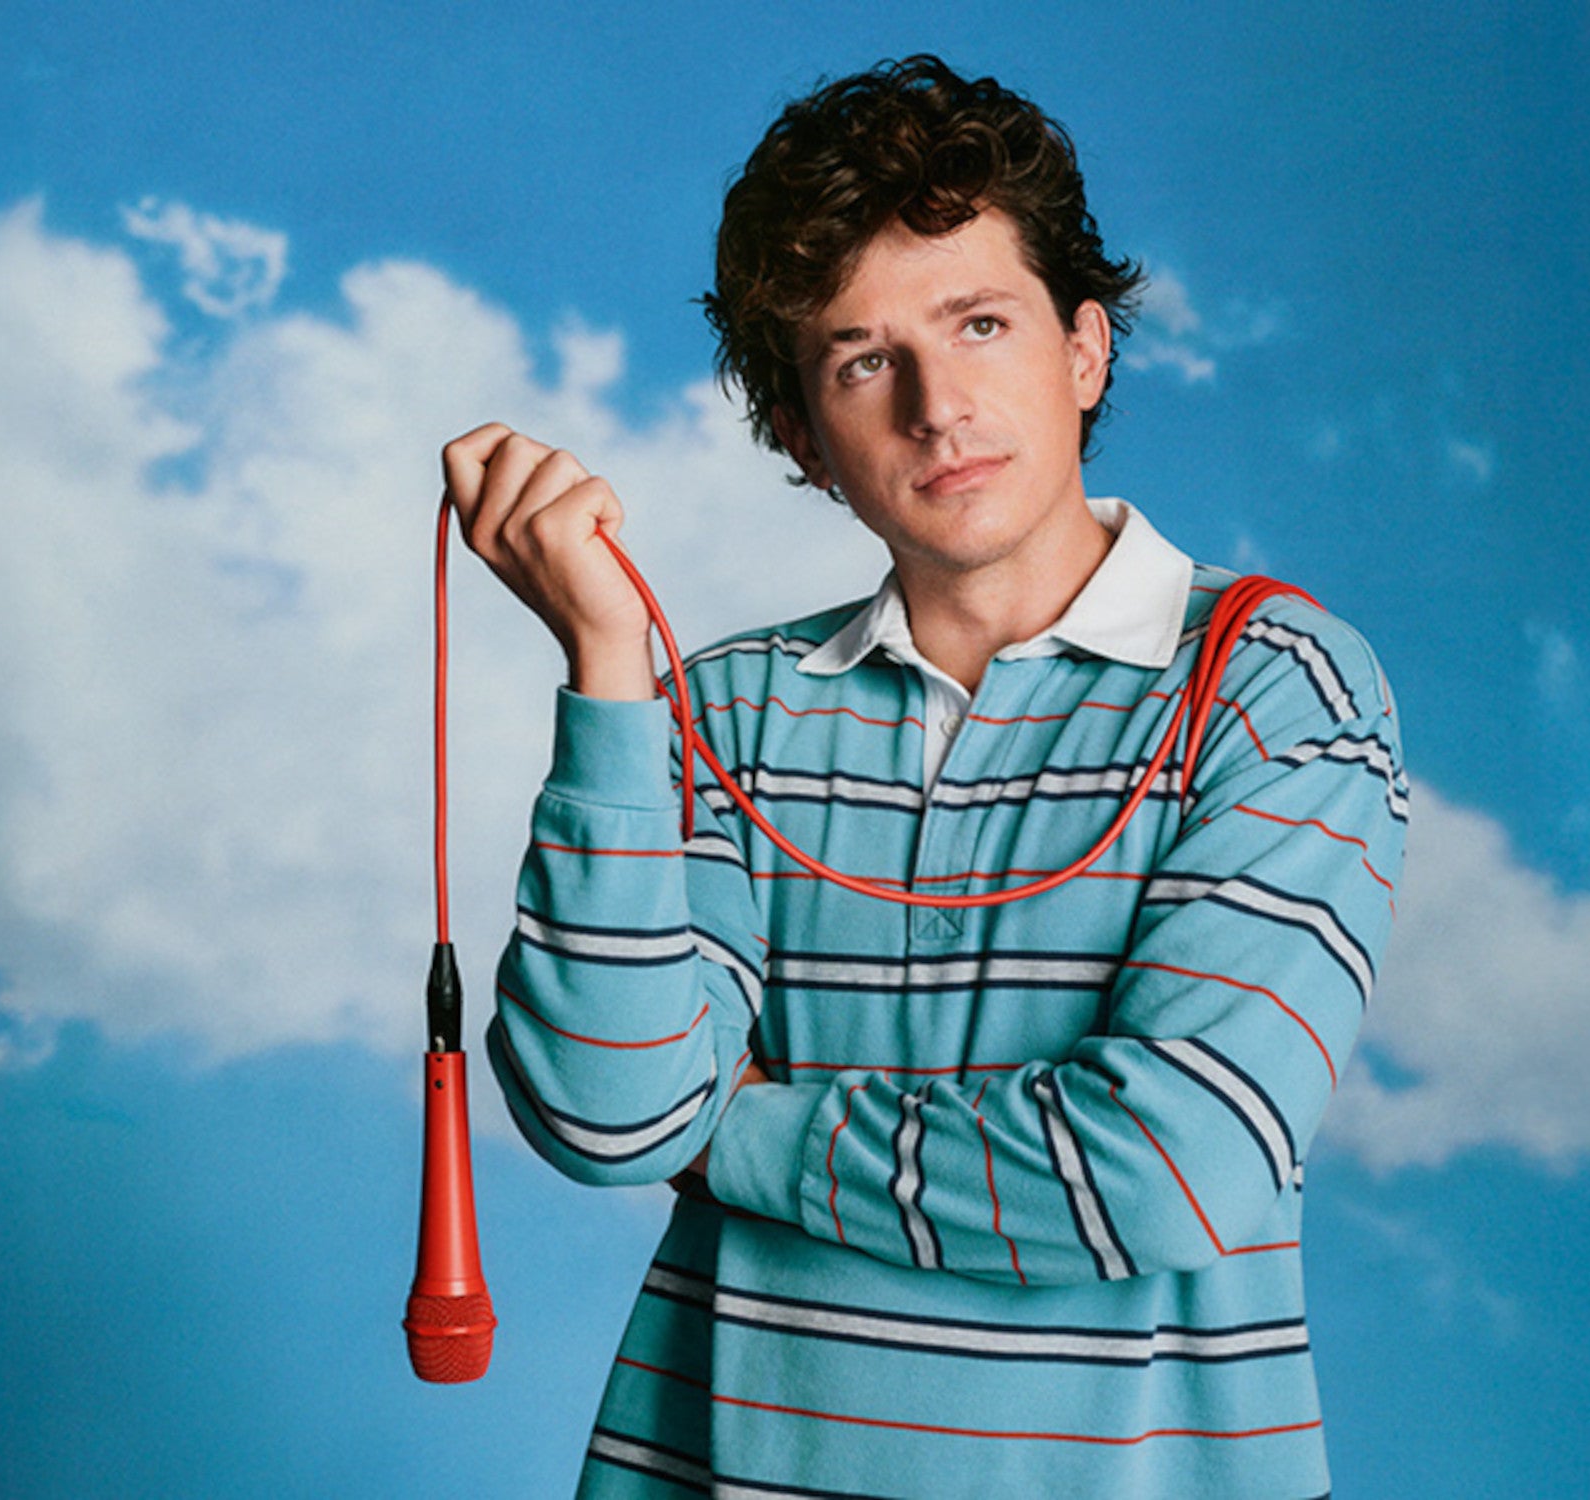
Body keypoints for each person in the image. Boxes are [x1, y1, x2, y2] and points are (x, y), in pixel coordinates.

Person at [441, 55, 1404, 1499]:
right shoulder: (720, 709)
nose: (938, 407)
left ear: (1084, 351)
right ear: (801, 438)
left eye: (981, 323)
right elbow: (609, 1115)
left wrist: (738, 1129)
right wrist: (607, 665)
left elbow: (1163, 1171)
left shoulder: (1274, 685)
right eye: (861, 361)